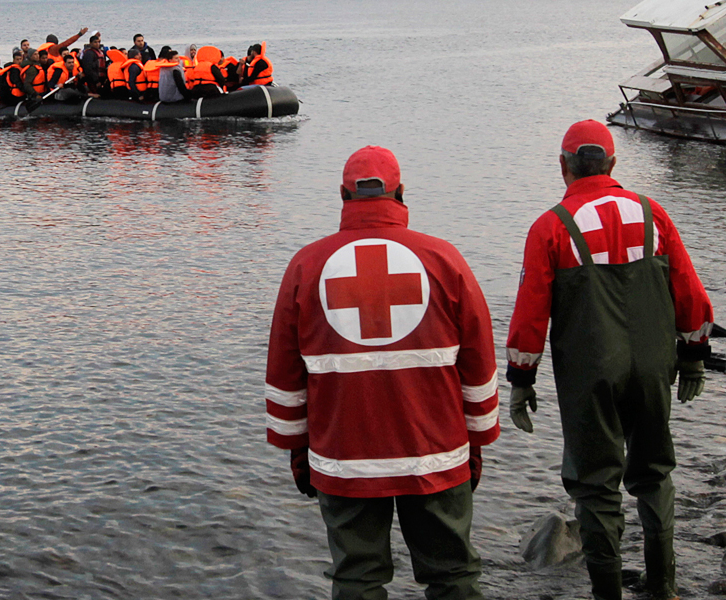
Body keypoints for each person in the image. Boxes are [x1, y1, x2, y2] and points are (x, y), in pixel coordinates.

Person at [265, 146, 500, 600]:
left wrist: (297, 450)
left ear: (342, 195)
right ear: (401, 193)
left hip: (344, 456)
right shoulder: (444, 259)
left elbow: (285, 371)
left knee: (358, 578)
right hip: (435, 452)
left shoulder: (305, 266)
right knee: (453, 575)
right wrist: (477, 440)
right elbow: (477, 360)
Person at [506, 120, 714, 600]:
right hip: (654, 366)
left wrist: (522, 380)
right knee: (655, 473)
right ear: (614, 165)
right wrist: (694, 358)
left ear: (564, 167)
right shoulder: (652, 213)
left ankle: (607, 594)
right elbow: (689, 291)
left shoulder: (550, 227)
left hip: (590, 373)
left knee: (596, 485)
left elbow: (530, 314)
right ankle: (664, 588)